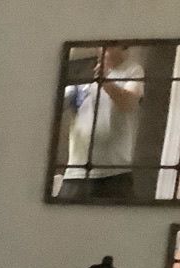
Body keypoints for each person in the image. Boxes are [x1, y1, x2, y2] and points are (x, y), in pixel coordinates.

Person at [59, 43, 145, 201]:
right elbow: (56, 106)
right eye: (101, 46)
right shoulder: (83, 72)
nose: (104, 50)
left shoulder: (133, 70)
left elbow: (129, 104)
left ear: (124, 46)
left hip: (115, 170)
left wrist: (105, 82)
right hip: (77, 169)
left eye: (111, 45)